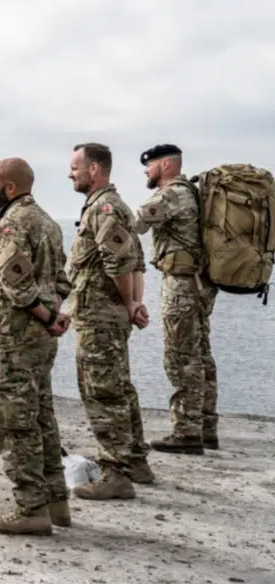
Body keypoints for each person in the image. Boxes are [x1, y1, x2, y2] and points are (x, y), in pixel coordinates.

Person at [0, 158, 73, 535]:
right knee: (42, 418)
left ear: (10, 188)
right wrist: (54, 313)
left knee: (15, 424)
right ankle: (56, 503)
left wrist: (46, 316)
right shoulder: (48, 223)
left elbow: (14, 283)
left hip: (17, 338)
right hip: (40, 343)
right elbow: (63, 279)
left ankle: (31, 509)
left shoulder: (12, 223)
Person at [66, 142, 154, 500]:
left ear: (94, 170)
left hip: (99, 317)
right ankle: (135, 462)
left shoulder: (104, 207)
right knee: (120, 388)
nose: (70, 173)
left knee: (102, 393)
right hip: (108, 315)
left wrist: (130, 304)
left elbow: (120, 265)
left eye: (75, 167)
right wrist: (133, 303)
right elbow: (133, 262)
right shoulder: (111, 207)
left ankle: (115, 474)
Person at [132, 144, 219, 455]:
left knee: (181, 357)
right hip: (200, 285)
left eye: (150, 165)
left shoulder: (171, 194)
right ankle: (207, 427)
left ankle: (186, 431)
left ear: (165, 165)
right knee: (201, 354)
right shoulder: (194, 194)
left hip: (181, 285)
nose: (146, 171)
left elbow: (136, 224)